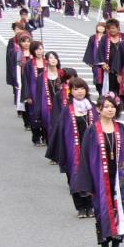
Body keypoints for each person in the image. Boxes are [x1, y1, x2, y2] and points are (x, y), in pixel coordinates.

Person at [73, 95, 124, 247]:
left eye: (113, 106)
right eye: (106, 106)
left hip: (119, 178)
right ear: (99, 109)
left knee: (119, 211)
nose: (110, 109)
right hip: (99, 178)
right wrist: (85, 183)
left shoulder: (122, 129)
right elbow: (85, 157)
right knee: (101, 212)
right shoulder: (92, 130)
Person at [47, 77, 99, 218]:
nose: (79, 92)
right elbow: (60, 131)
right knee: (74, 176)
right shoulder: (67, 110)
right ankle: (81, 207)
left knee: (92, 176)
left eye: (82, 88)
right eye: (76, 89)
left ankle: (90, 205)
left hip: (90, 150)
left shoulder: (93, 108)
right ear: (71, 92)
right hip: (73, 149)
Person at [21, 41, 54, 147]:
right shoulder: (29, 64)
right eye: (37, 49)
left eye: (41, 48)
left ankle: (45, 137)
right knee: (34, 115)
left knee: (46, 115)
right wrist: (28, 95)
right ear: (33, 51)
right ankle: (36, 137)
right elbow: (25, 80)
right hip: (34, 93)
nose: (40, 51)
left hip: (46, 93)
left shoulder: (47, 62)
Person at [96, 19, 124, 98]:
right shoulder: (104, 38)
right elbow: (100, 52)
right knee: (111, 88)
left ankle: (122, 103)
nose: (111, 30)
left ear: (118, 28)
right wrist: (103, 64)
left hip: (122, 68)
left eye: (113, 28)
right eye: (109, 28)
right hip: (109, 68)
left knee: (122, 87)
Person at [83, 22, 107, 94]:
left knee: (105, 79)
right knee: (97, 79)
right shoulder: (93, 37)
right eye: (99, 26)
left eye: (102, 27)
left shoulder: (107, 37)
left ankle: (104, 93)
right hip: (96, 63)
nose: (100, 28)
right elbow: (89, 49)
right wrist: (90, 61)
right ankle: (100, 92)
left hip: (105, 62)